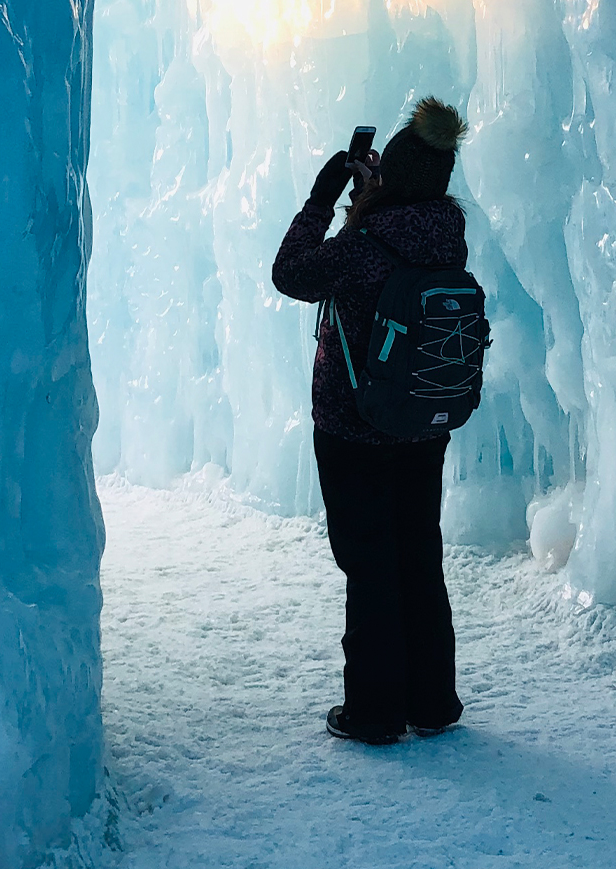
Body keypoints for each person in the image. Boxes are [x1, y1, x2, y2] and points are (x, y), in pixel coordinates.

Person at [270, 97, 471, 746]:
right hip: (421, 423)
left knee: (370, 565)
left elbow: (290, 272)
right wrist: (377, 196)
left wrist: (326, 196)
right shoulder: (445, 235)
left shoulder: (361, 248)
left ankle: (377, 712)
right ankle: (432, 700)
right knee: (418, 556)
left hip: (354, 427)